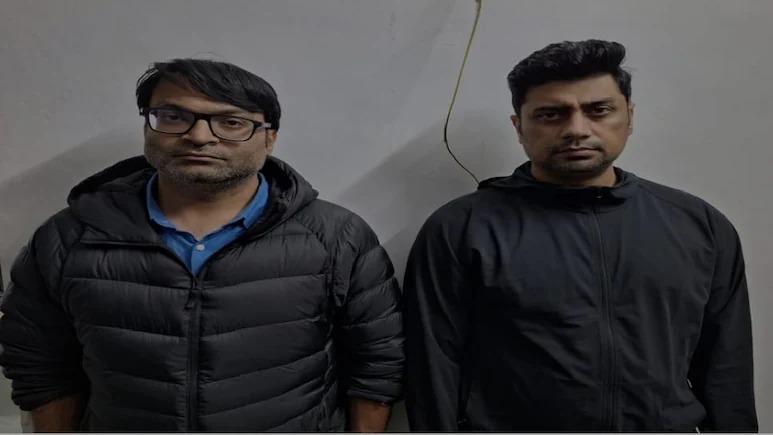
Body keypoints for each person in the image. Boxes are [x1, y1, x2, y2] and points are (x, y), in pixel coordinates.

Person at [0, 59, 404, 432]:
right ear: (147, 126)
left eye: (231, 122)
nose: (198, 136)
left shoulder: (336, 237)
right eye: (173, 116)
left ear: (269, 138)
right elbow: (39, 364)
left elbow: (377, 365)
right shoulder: (71, 237)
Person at [402, 39, 758, 432]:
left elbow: (727, 368)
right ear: (519, 127)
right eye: (550, 114)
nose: (576, 129)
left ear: (629, 116)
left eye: (598, 110)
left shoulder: (698, 226)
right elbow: (432, 372)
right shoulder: (461, 229)